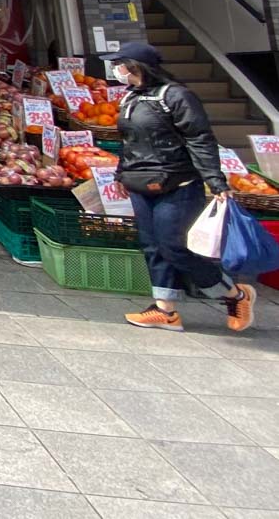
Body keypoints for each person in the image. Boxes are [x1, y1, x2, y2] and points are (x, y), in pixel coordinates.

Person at [109, 41, 256, 333]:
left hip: (177, 183)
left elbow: (200, 138)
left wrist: (215, 180)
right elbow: (130, 143)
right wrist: (121, 174)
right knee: (152, 246)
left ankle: (234, 295)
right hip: (140, 183)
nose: (116, 70)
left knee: (175, 246)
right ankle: (165, 310)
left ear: (135, 66)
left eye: (120, 63)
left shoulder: (175, 96)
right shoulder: (130, 98)